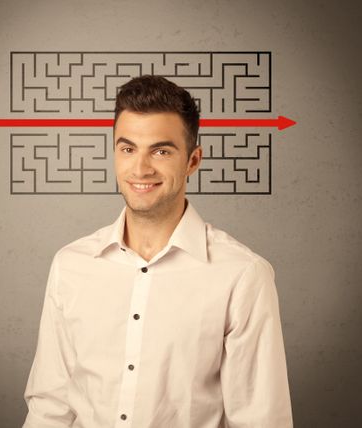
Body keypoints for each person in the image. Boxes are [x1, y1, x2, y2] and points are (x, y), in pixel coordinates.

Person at [22, 75, 294, 428]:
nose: (140, 168)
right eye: (128, 148)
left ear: (193, 161)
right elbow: (50, 406)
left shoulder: (242, 275)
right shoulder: (71, 265)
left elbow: (261, 420)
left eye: (161, 151)